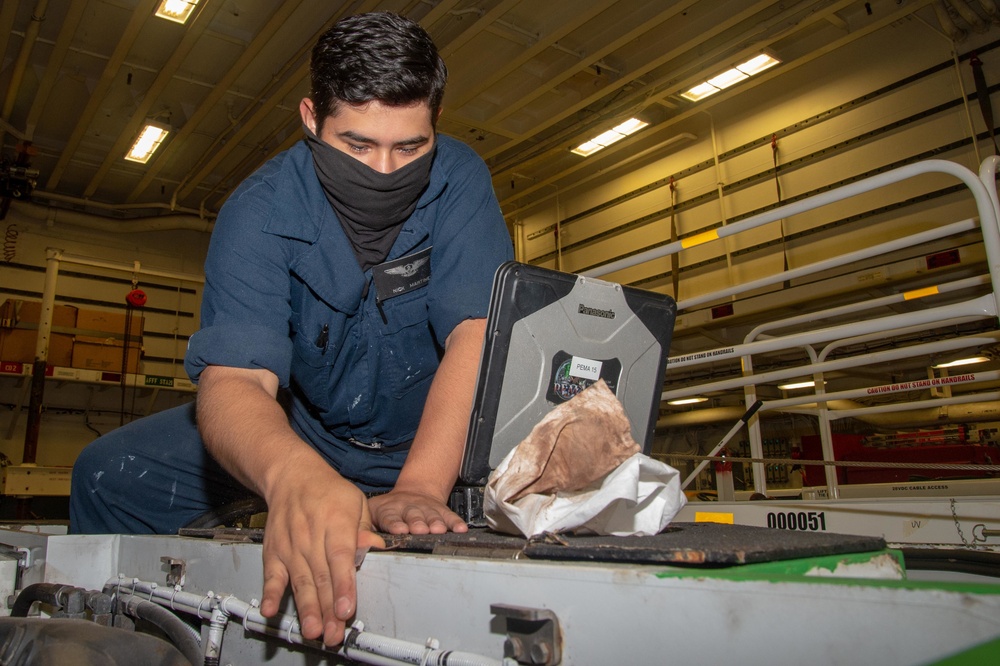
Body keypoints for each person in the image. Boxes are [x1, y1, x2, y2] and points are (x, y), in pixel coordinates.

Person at [69, 11, 513, 647]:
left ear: (434, 127)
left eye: (409, 147)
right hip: (306, 431)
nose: (385, 171)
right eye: (357, 145)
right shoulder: (257, 211)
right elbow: (233, 382)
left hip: (437, 440)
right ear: (310, 118)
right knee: (102, 474)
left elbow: (476, 336)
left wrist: (417, 488)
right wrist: (291, 475)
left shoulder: (461, 178)